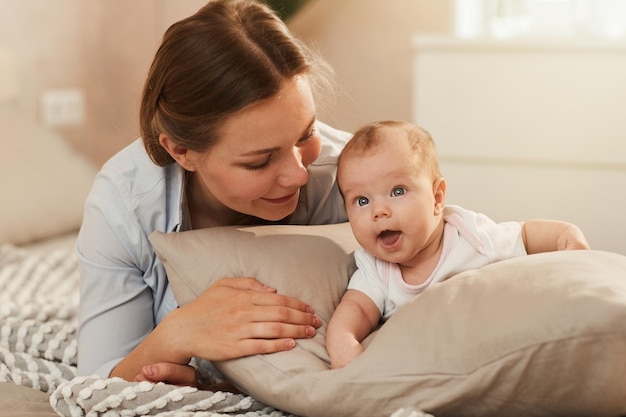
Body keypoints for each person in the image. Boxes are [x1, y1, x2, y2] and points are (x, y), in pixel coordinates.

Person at [76, 0, 351, 388]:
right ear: (182, 152)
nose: (299, 175)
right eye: (258, 162)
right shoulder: (124, 203)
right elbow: (95, 384)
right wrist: (177, 334)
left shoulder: (353, 176)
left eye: (306, 134)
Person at [325, 120, 590, 369]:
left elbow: (525, 234)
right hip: (433, 367)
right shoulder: (375, 270)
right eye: (362, 201)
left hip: (496, 348)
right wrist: (347, 353)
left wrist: (565, 235)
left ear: (437, 198)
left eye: (397, 191)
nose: (379, 211)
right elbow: (354, 313)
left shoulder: (472, 235)